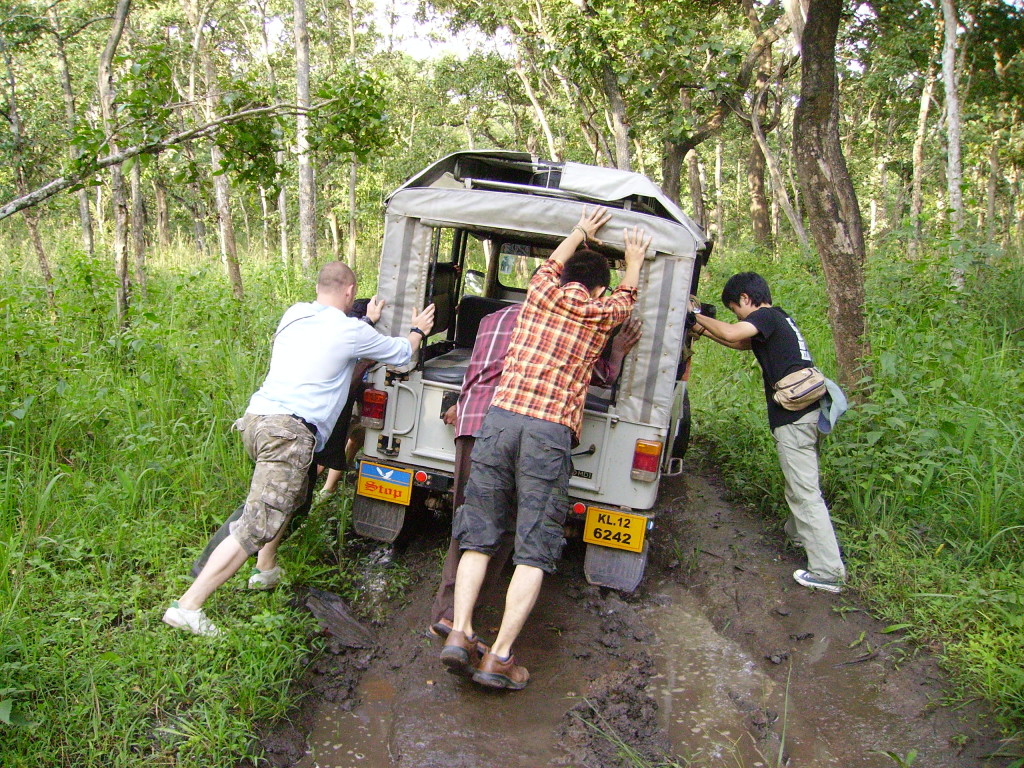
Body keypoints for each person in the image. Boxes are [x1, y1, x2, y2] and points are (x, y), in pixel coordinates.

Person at [163, 262, 435, 636]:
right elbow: (403, 354)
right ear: (351, 291)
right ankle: (190, 605)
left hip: (257, 420)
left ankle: (266, 569)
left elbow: (331, 345)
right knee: (256, 522)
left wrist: (365, 325)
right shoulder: (350, 330)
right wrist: (418, 330)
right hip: (288, 434)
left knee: (292, 496)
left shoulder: (295, 314)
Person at [441, 207, 650, 690]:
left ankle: (460, 632)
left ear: (563, 277)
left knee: (478, 532)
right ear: (600, 287)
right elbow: (629, 294)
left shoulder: (538, 293)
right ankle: (499, 656)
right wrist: (634, 259)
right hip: (548, 432)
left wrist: (580, 231)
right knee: (533, 547)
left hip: (500, 419)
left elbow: (552, 266)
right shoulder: (603, 314)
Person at [428, 306, 642, 638]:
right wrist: (615, 352)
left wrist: (463, 401)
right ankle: (469, 620)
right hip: (515, 426)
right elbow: (596, 376)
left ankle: (449, 615)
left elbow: (477, 370)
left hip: (472, 423)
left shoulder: (490, 318)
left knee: (469, 523)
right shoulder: (560, 323)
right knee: (506, 530)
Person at [689, 271, 846, 594]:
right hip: (808, 416)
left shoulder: (765, 315)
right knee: (799, 486)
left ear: (746, 299)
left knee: (805, 493)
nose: (737, 315)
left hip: (795, 420)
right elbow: (738, 343)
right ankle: (799, 536)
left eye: (736, 308)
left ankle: (828, 571)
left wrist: (693, 313)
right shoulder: (778, 319)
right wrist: (698, 325)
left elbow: (733, 334)